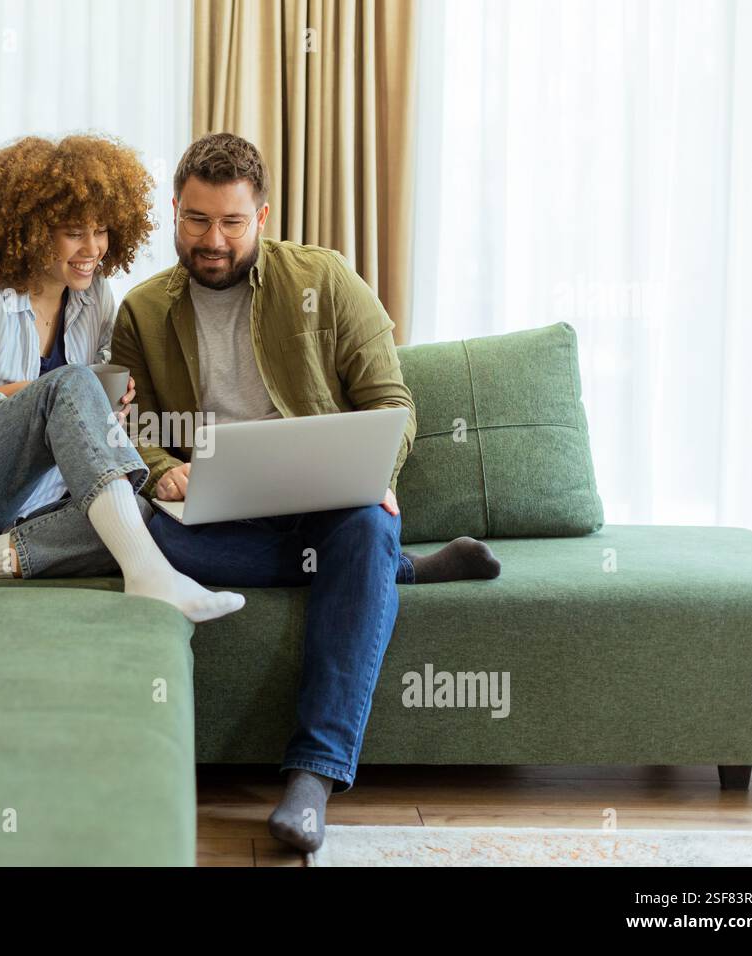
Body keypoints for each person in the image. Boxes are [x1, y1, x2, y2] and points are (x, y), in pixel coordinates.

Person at [110, 132, 501, 852]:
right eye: (196, 220)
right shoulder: (142, 308)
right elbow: (125, 425)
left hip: (322, 504)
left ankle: (313, 776)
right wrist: (162, 464)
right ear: (174, 211)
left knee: (365, 528)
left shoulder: (326, 279)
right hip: (217, 514)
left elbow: (392, 403)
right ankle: (395, 572)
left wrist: (376, 475)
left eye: (231, 222)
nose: (212, 241)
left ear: (262, 216)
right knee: (148, 541)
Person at [0, 133, 244, 624]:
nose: (94, 249)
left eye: (102, 230)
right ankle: (151, 577)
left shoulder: (93, 298)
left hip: (22, 509)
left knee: (134, 514)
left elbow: (83, 409)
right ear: (29, 230)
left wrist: (105, 407)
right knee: (70, 384)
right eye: (74, 232)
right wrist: (25, 395)